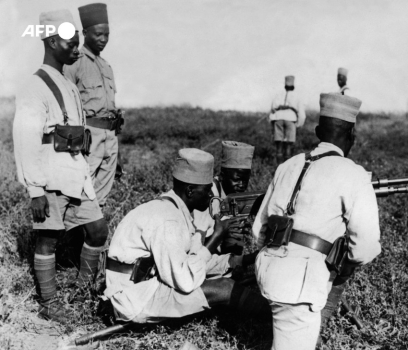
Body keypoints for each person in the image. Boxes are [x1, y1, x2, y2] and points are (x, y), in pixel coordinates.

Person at [253, 93, 381, 350]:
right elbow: (364, 249)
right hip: (300, 283)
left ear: (318, 131)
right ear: (352, 135)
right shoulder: (353, 174)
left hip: (267, 270)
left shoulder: (288, 165)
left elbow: (259, 231)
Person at [13, 9, 109, 323]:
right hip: (50, 177)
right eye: (71, 41)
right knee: (47, 239)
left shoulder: (66, 82)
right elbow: (26, 140)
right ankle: (49, 303)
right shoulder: (35, 85)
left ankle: (82, 292)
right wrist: (35, 190)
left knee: (97, 230)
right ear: (53, 41)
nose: (76, 47)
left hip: (74, 173)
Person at [103, 149, 269, 324]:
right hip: (133, 298)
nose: (211, 195)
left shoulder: (176, 210)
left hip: (145, 285)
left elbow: (193, 260)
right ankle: (278, 318)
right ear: (190, 190)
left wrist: (248, 259)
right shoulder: (168, 219)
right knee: (224, 288)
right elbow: (185, 280)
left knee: (226, 280)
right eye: (207, 190)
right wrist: (217, 237)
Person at [64, 3, 123, 208]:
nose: (104, 39)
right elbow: (65, 108)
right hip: (87, 139)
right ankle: (71, 239)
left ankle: (93, 240)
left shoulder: (106, 66)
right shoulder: (74, 63)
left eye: (107, 34)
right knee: (79, 196)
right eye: (98, 34)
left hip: (110, 139)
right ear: (85, 33)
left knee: (101, 200)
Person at [193, 141, 255, 255]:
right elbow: (197, 239)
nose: (241, 185)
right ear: (222, 176)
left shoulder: (236, 196)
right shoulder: (208, 196)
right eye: (236, 179)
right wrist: (224, 232)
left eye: (245, 180)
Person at [269, 75, 306, 165]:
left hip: (278, 118)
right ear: (293, 86)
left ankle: (278, 166)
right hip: (291, 119)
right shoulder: (297, 96)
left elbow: (272, 109)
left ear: (285, 85)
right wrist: (298, 124)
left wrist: (272, 122)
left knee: (279, 143)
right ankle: (287, 165)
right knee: (289, 143)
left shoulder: (278, 95)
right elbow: (302, 114)